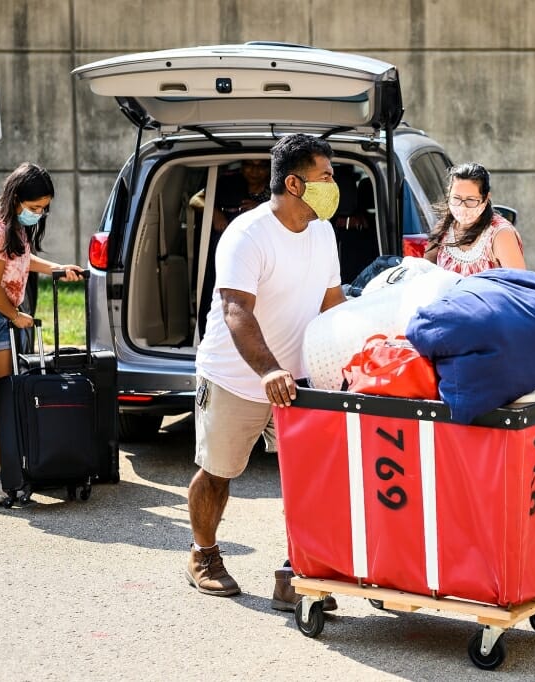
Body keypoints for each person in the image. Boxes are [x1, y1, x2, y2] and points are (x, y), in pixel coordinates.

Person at [185, 134, 345, 613]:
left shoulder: (322, 231)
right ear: (294, 183)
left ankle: (294, 572)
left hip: (297, 380)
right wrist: (269, 369)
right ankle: (203, 555)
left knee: (310, 479)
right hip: (236, 374)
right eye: (326, 177)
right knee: (217, 472)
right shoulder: (247, 234)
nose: (333, 185)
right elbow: (235, 309)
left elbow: (332, 303)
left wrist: (347, 360)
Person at [0, 162, 83, 506]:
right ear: (17, 198)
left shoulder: (12, 226)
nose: (39, 213)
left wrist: (58, 267)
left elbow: (22, 259)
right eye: (35, 207)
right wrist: (17, 315)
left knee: (0, 402)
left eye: (44, 208)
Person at [190, 159, 272, 339]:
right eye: (250, 165)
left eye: (261, 166)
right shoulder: (227, 181)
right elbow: (196, 199)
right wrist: (215, 213)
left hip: (262, 253)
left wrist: (261, 209)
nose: (254, 171)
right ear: (242, 166)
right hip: (225, 252)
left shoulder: (278, 188)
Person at [424, 163, 525, 275]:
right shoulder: (442, 229)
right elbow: (427, 276)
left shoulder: (500, 235)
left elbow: (519, 285)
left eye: (471, 200)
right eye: (456, 198)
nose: (462, 207)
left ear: (486, 199)